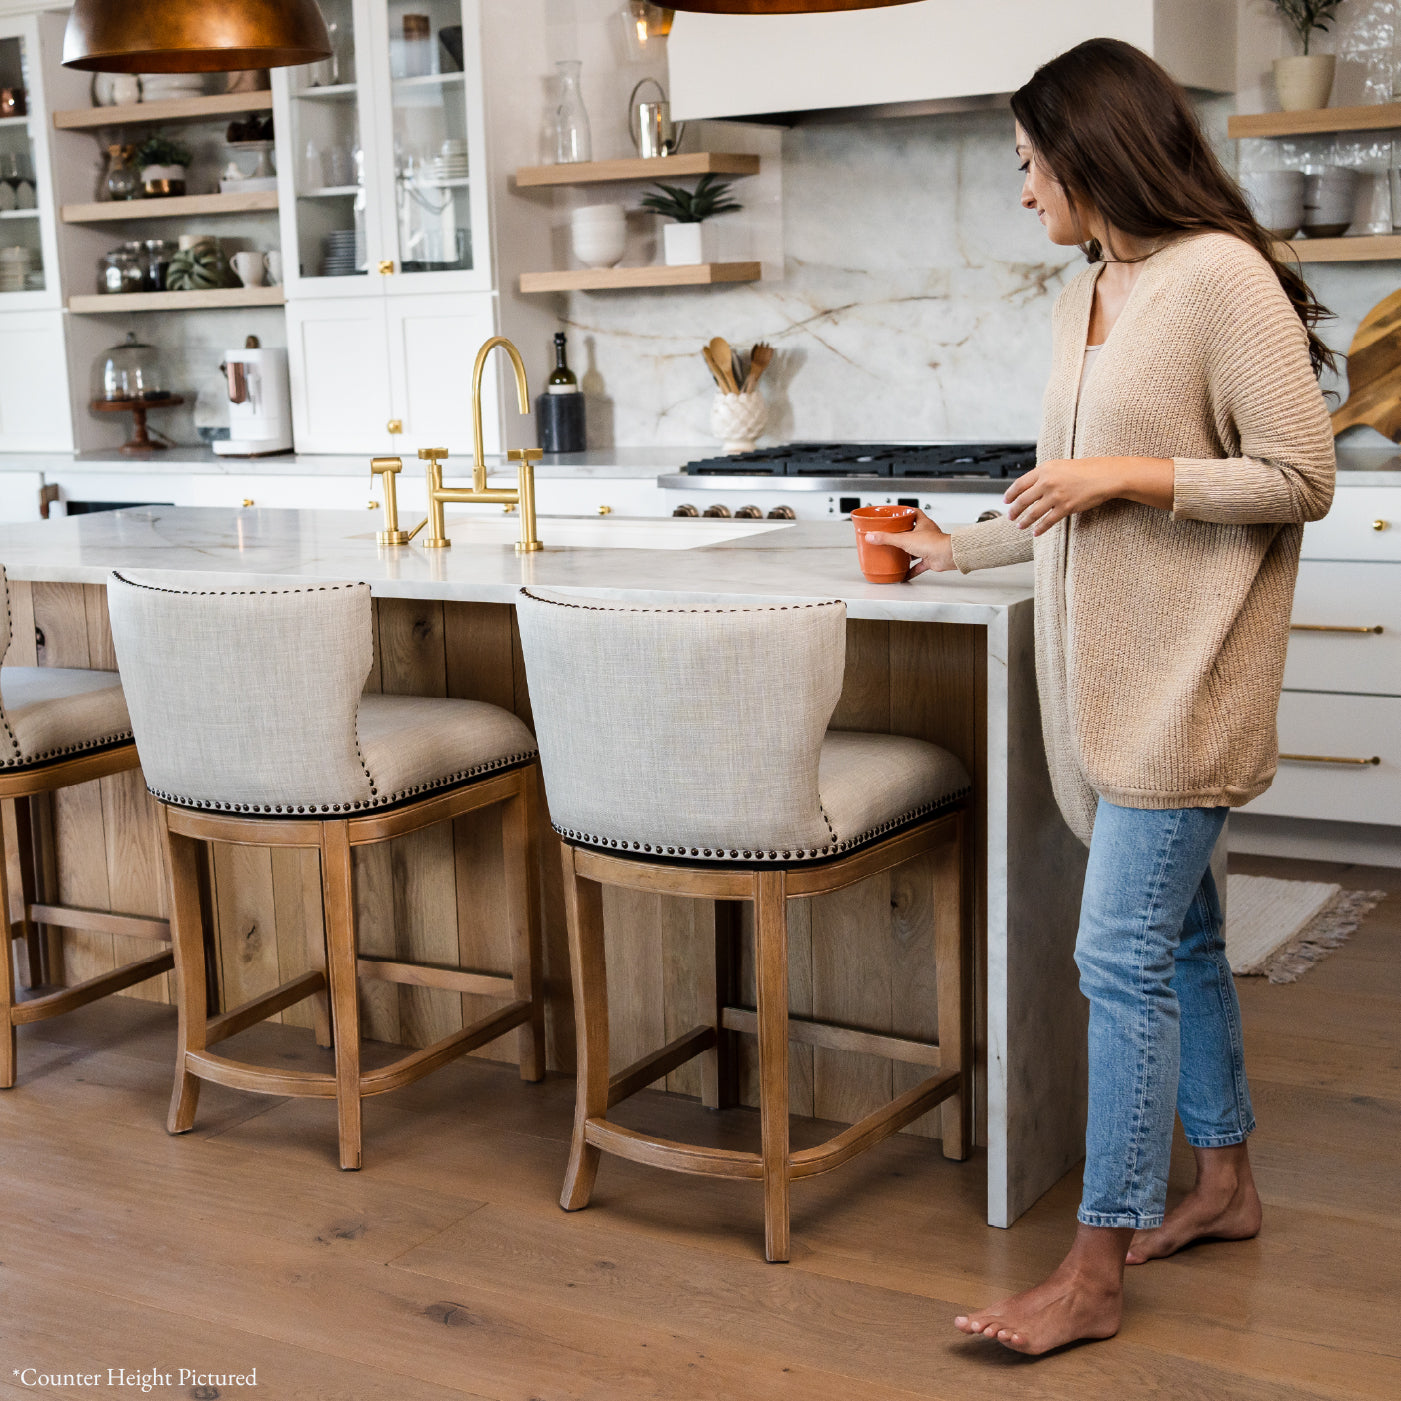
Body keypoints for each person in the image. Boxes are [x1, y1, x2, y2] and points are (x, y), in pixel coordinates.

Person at [864, 38, 1336, 1355]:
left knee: (1113, 957)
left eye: (1026, 162)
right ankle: (1226, 1183)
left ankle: (1092, 1271)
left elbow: (1298, 475)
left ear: (1087, 150)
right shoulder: (1094, 288)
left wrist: (1129, 474)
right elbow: (1073, 490)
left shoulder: (1217, 278)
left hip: (1185, 682)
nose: (1021, 190)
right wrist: (966, 545)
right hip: (1108, 688)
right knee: (1177, 940)